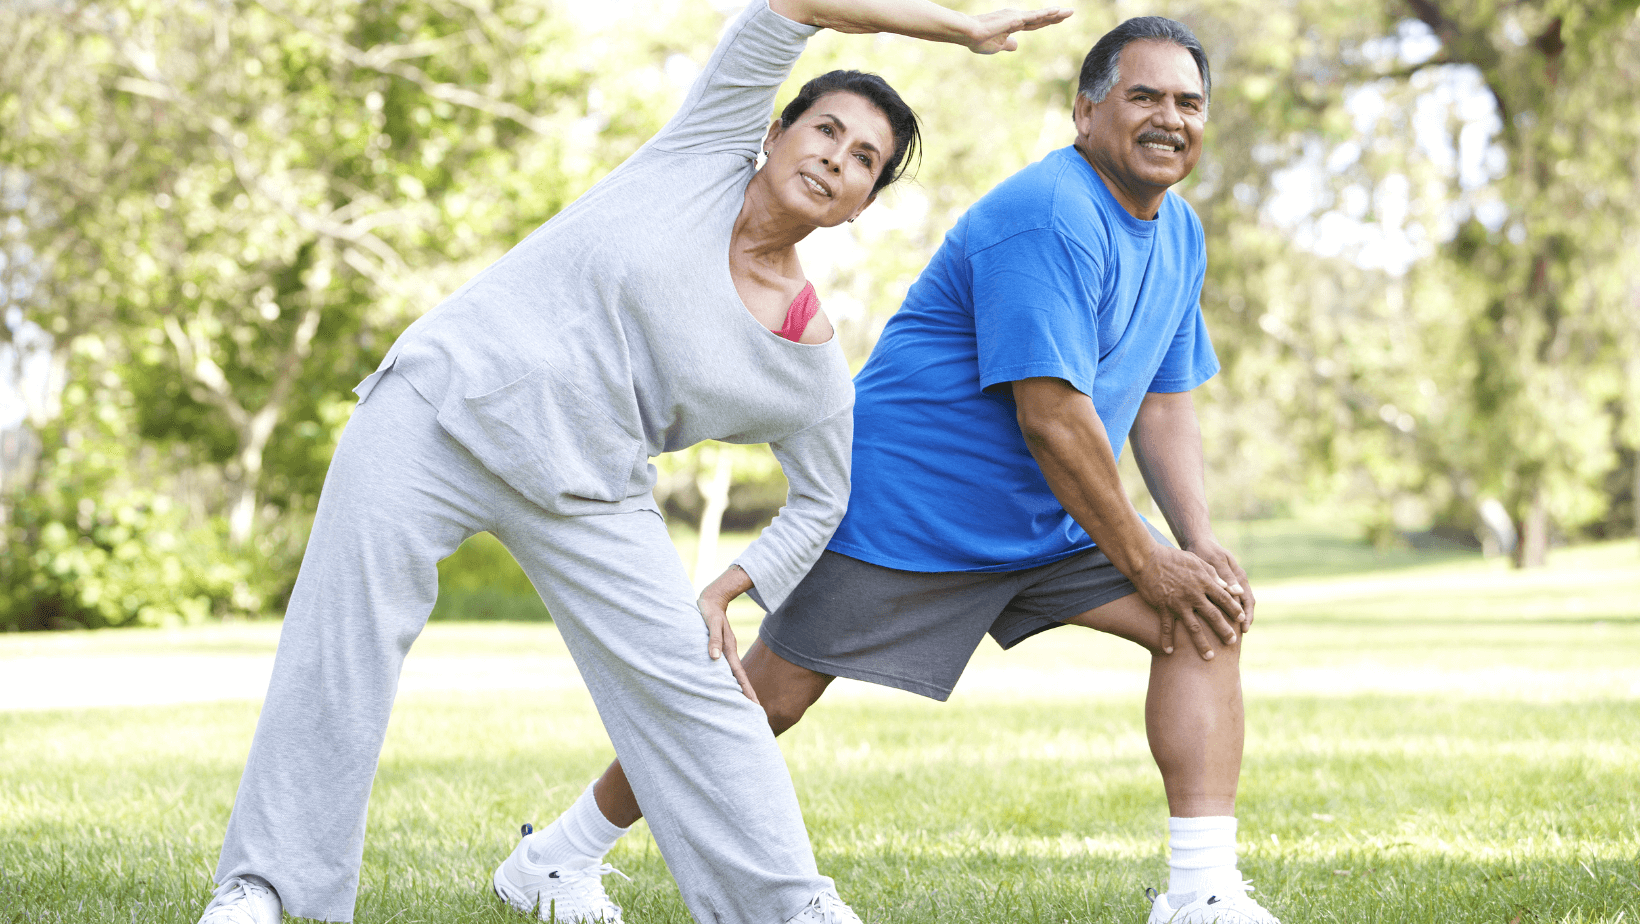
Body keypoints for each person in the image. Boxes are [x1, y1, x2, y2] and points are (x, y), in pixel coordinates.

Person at [193, 2, 1073, 924]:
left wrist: (730, 586)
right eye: (826, 131)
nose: (836, 159)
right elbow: (799, 4)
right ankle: (267, 889)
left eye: (864, 162)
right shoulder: (701, 151)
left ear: (861, 206)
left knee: (700, 689)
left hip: (587, 491)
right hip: (440, 407)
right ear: (774, 135)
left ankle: (791, 908)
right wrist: (960, 29)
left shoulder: (806, 356)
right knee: (341, 641)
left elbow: (825, 496)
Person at [531, 15, 1284, 924]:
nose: (1170, 118)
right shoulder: (1048, 217)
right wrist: (1147, 556)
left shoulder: (1179, 233)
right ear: (1085, 113)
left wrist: (1196, 547)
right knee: (765, 702)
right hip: (904, 509)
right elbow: (1053, 418)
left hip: (1047, 519)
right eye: (1144, 97)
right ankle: (557, 859)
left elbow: (1163, 398)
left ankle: (1200, 894)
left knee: (1202, 618)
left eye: (1189, 102)